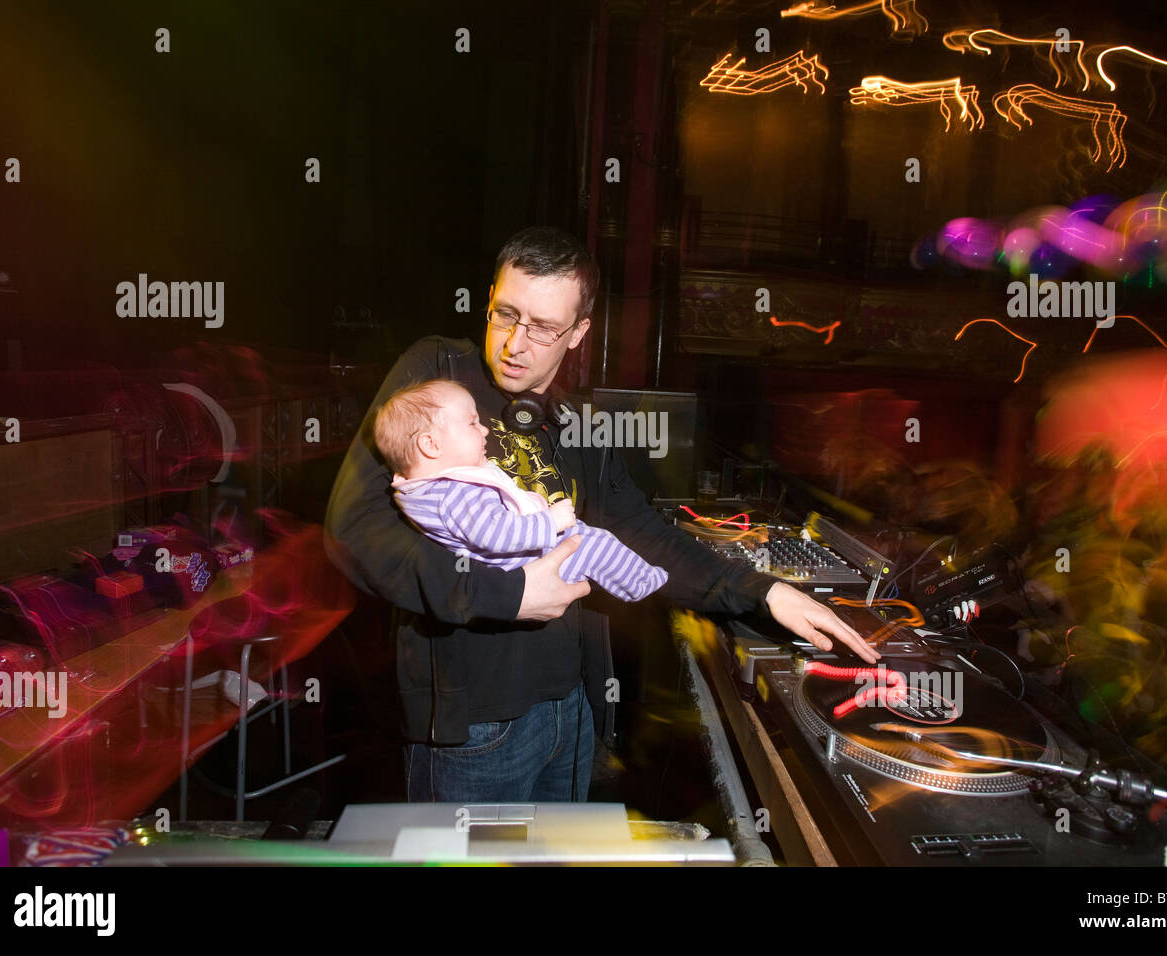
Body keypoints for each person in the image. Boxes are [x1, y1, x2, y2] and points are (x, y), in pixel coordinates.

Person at [324, 225, 879, 803]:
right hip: (476, 726)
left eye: (544, 328)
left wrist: (762, 592)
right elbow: (355, 529)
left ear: (579, 333)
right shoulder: (436, 374)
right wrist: (504, 595)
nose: (515, 344)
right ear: (488, 299)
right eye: (505, 315)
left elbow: (641, 532)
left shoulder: (577, 423)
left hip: (571, 712)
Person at [374, 378, 668, 602]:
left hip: (522, 560)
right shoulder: (456, 494)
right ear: (431, 445)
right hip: (528, 560)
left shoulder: (434, 490)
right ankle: (644, 584)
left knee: (595, 542)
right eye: (472, 423)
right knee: (595, 543)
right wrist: (551, 521)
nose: (485, 429)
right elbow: (495, 533)